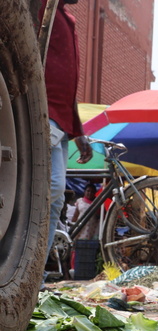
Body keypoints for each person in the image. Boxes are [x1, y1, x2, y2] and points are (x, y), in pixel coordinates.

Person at [41, 0, 93, 278]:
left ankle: (33, 276)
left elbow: (69, 85)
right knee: (50, 191)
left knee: (55, 198)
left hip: (60, 121)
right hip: (40, 113)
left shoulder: (65, 18)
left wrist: (79, 131)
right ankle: (29, 272)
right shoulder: (39, 7)